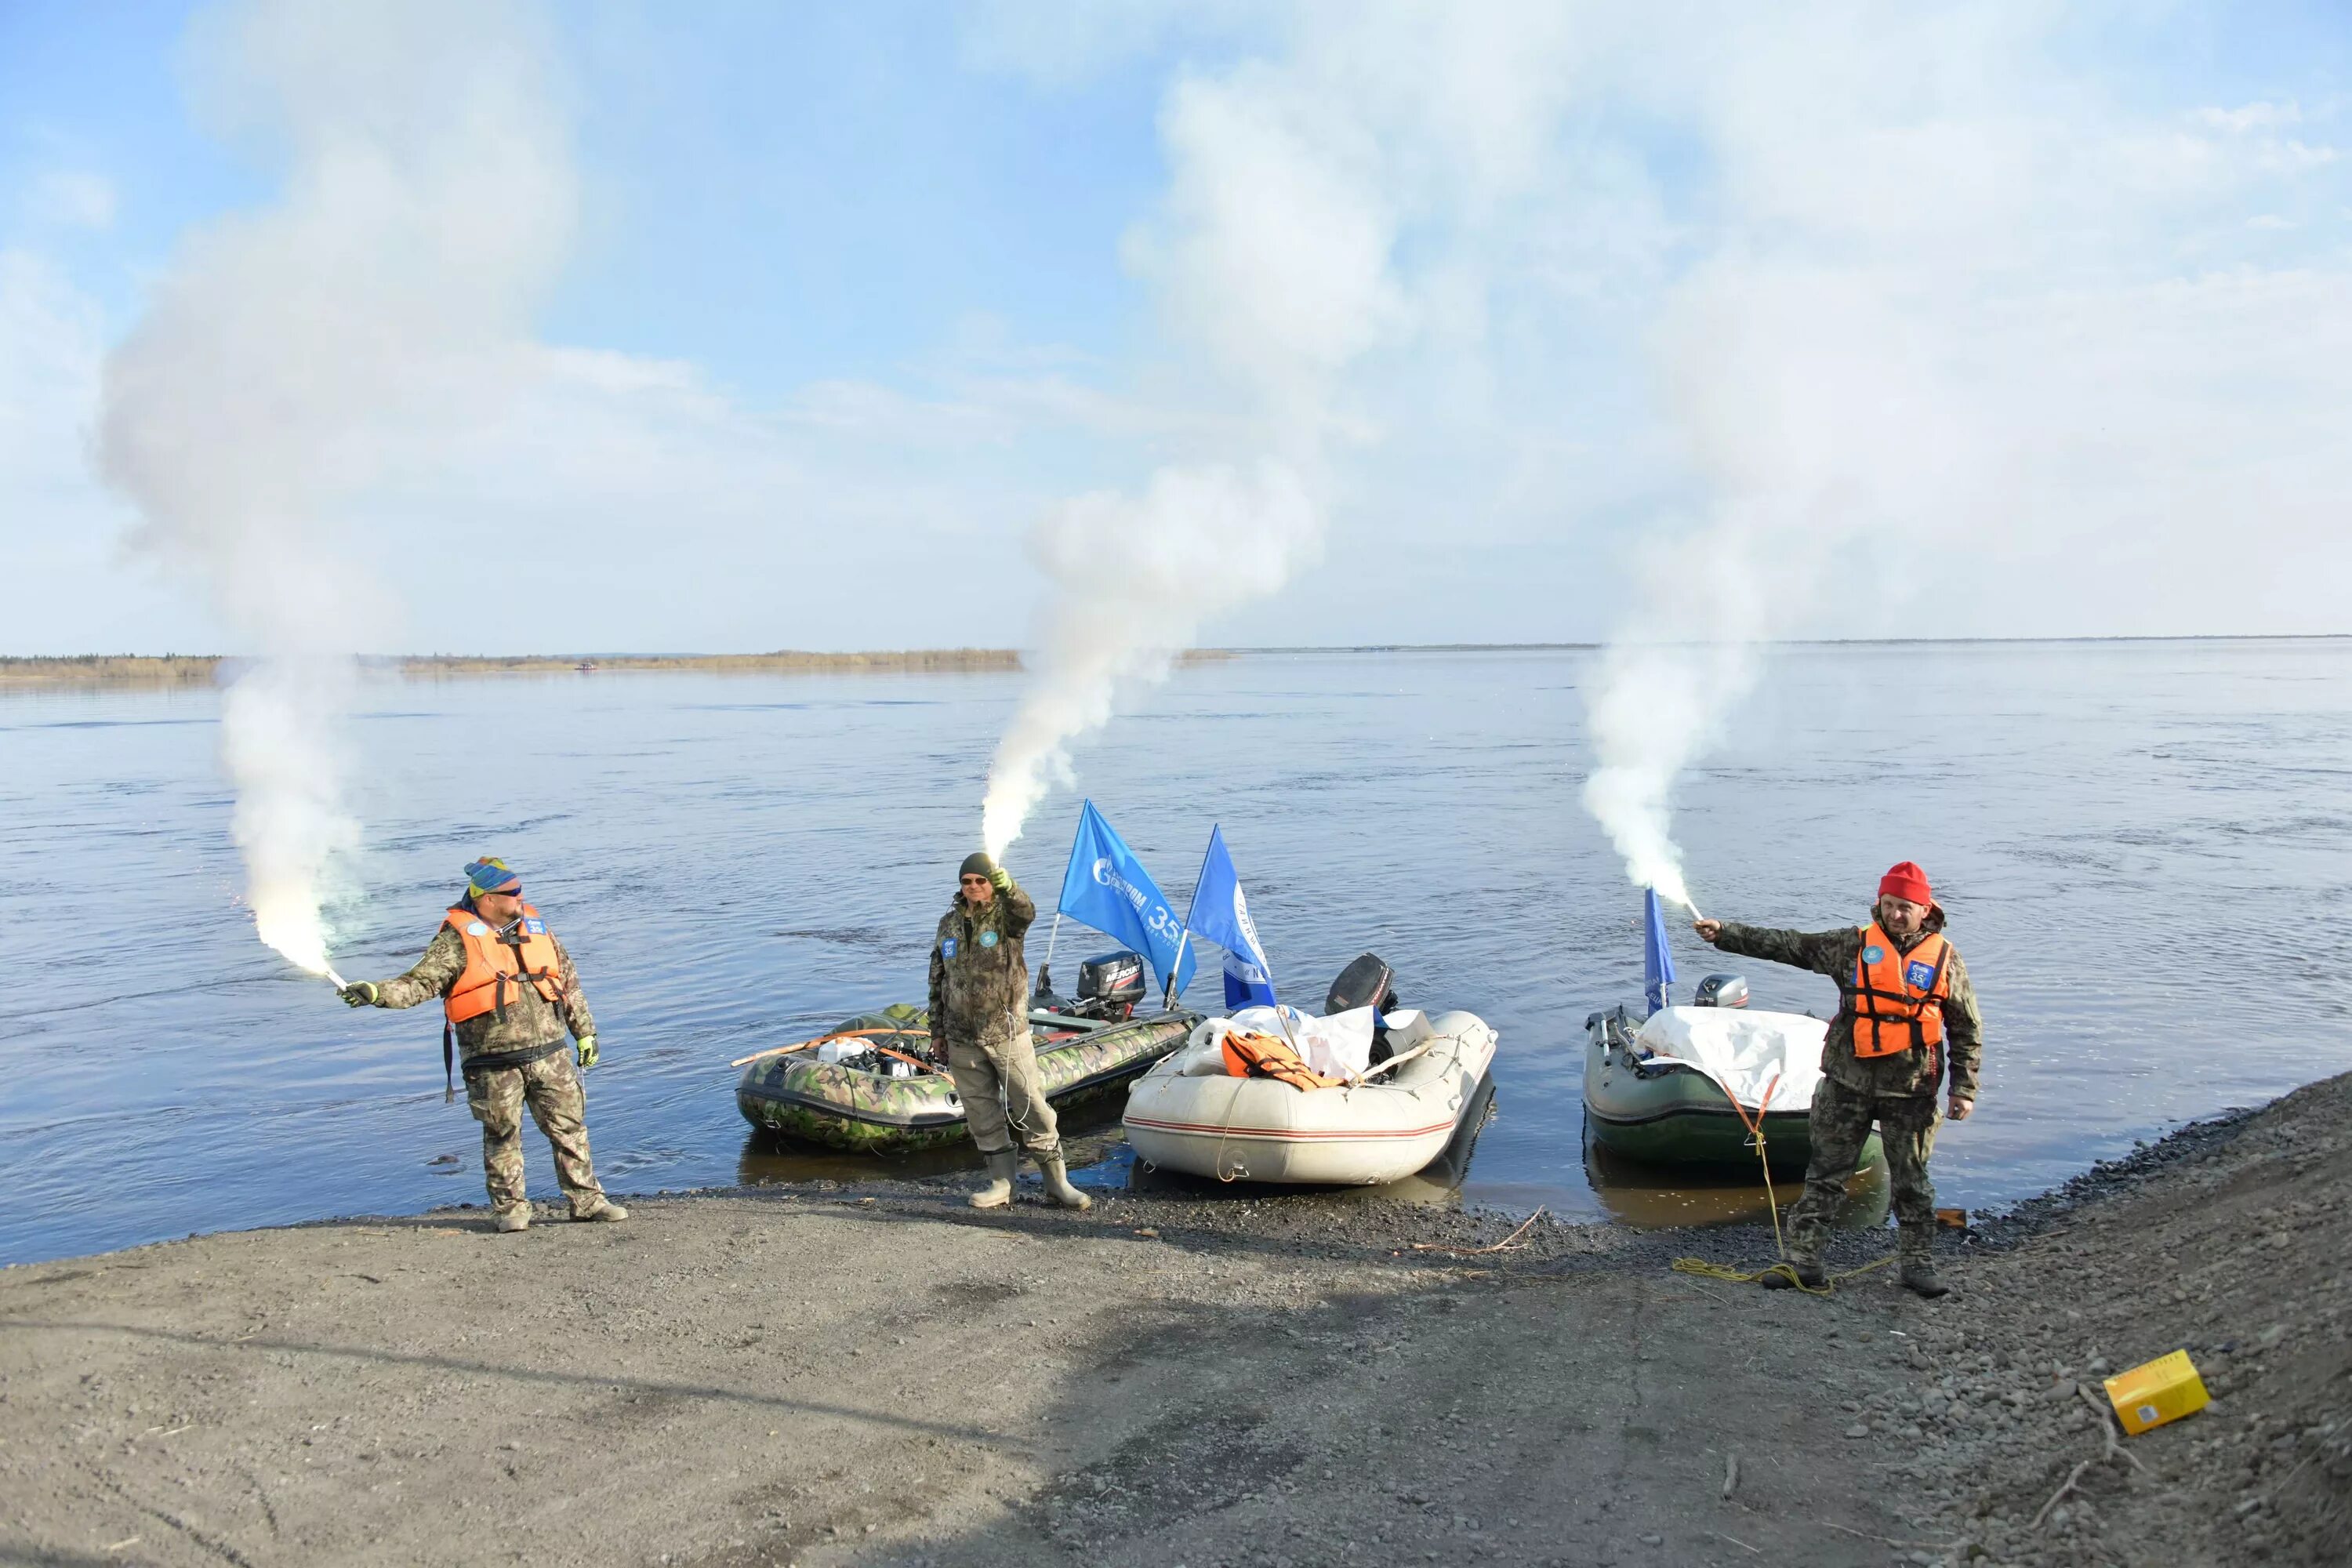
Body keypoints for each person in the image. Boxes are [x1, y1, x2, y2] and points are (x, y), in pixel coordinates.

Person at [1693, 861, 1980, 1297]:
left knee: (1912, 1181)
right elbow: (1791, 945)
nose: (1896, 914)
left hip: (1912, 1090)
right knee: (1825, 1175)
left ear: (1925, 910)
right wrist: (1726, 934)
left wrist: (1964, 1088)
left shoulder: (1945, 959)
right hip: (1847, 1085)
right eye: (1888, 905)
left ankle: (1917, 1266)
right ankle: (1803, 1263)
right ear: (1879, 904)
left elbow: (1966, 1027)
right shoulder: (1851, 946)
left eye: (1905, 907)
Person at [339, 858, 626, 1233]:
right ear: (487, 899)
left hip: (551, 1054)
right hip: (493, 1061)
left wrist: (584, 1032)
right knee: (502, 1136)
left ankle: (587, 1201)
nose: (521, 896)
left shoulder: (537, 927)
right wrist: (375, 993)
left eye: (520, 889)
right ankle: (510, 1211)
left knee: (570, 1129)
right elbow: (419, 983)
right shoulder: (455, 940)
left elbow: (567, 981)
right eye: (512, 893)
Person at [928, 852, 1091, 1212]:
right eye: (967, 881)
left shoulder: (1006, 917)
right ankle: (1002, 1183)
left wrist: (1009, 886)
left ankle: (1058, 1183)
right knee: (981, 1111)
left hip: (1006, 1031)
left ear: (991, 883)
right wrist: (937, 1030)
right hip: (961, 1036)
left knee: (1032, 1104)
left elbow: (1026, 912)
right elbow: (938, 977)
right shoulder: (948, 924)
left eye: (980, 881)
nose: (973, 887)